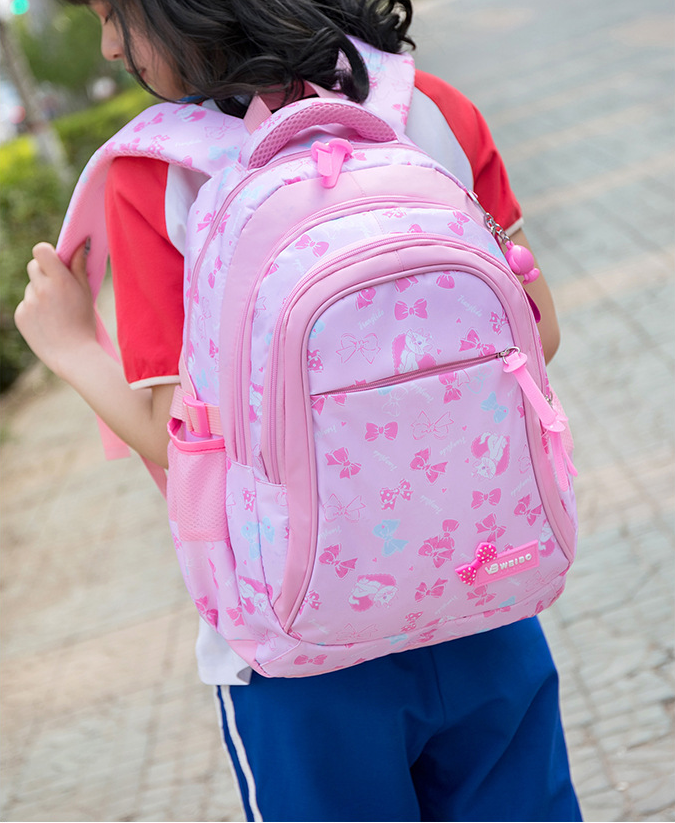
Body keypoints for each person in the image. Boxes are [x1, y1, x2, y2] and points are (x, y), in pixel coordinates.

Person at [15, 1, 581, 820]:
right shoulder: (427, 108)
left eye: (116, 14)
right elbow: (538, 330)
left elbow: (186, 441)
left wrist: (67, 343)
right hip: (481, 589)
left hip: (296, 643)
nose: (109, 44)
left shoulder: (158, 171)